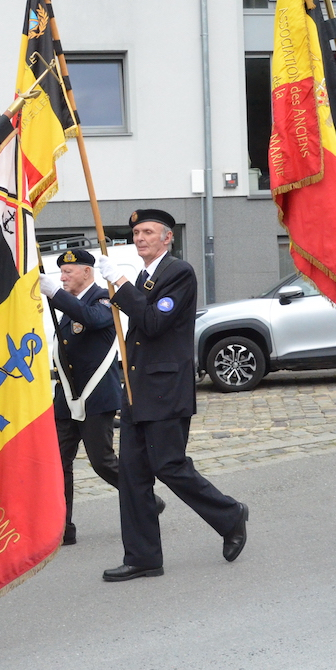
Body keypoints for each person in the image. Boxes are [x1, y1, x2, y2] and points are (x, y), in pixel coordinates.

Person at [93, 209, 249, 581]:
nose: (140, 237)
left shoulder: (178, 273)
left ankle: (230, 515)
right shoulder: (145, 277)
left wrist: (119, 283)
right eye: (136, 233)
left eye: (148, 231)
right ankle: (143, 557)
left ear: (168, 237)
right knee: (132, 476)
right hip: (138, 390)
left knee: (169, 465)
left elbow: (153, 322)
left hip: (165, 390)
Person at [39, 249, 164, 546]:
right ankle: (63, 527)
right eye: (61, 273)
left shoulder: (103, 299)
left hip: (95, 397)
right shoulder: (70, 304)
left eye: (68, 272)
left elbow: (91, 319)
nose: (63, 277)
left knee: (102, 462)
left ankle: (146, 499)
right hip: (67, 397)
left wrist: (55, 293)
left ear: (87, 272)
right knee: (59, 464)